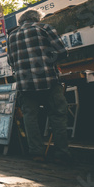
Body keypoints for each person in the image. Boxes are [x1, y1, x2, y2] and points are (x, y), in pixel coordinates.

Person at [7, 9, 71, 163]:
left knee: (30, 118)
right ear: (37, 19)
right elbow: (62, 52)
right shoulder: (45, 29)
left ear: (21, 21)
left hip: (25, 84)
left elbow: (11, 61)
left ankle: (36, 153)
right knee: (57, 115)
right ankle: (61, 154)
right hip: (48, 80)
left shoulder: (12, 36)